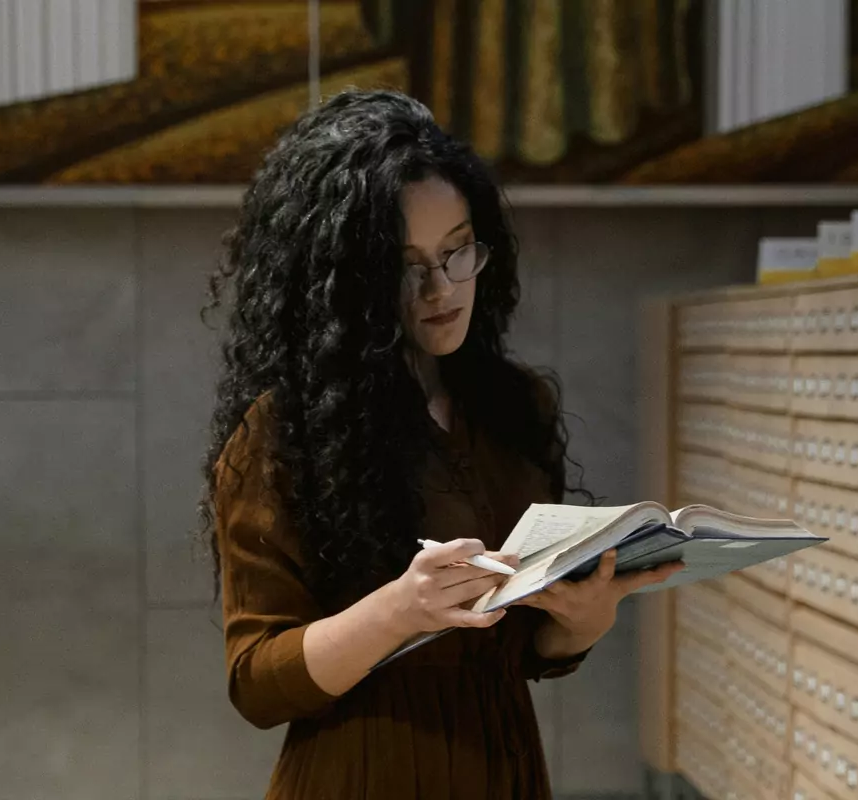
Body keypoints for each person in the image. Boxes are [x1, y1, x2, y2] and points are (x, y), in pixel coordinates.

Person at [201, 90, 681, 798]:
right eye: (407, 265)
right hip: (361, 773)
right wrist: (400, 610)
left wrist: (581, 624)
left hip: (503, 765)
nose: (442, 288)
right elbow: (258, 684)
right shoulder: (281, 434)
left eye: (459, 252)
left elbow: (519, 650)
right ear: (347, 283)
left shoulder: (514, 406)